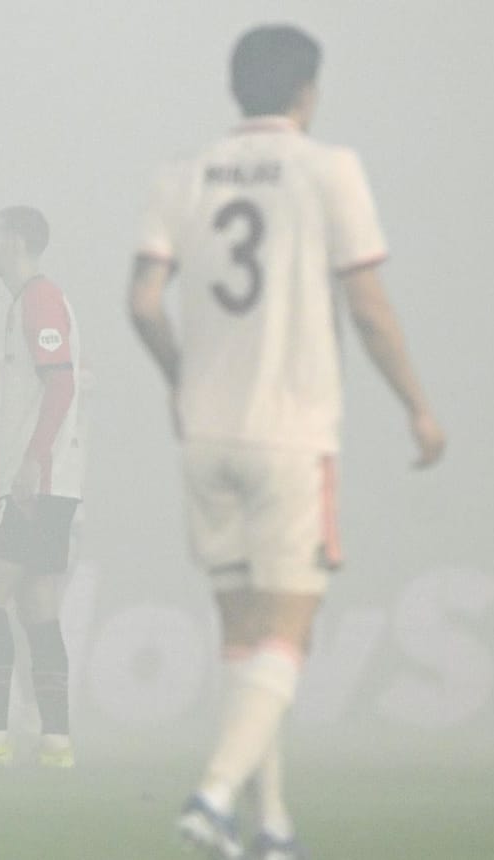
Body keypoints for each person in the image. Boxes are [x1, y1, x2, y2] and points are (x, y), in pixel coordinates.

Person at [127, 24, 447, 859]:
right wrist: (417, 404)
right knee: (290, 631)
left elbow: (143, 301)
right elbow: (369, 307)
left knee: (244, 639)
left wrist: (179, 379)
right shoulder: (327, 169)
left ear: (237, 91)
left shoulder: (181, 174)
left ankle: (271, 830)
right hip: (291, 435)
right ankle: (212, 797)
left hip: (206, 435)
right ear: (307, 92)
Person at [0, 206, 84, 768]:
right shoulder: (24, 303)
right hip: (44, 479)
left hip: (38, 483)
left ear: (11, 240)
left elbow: (61, 385)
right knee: (37, 608)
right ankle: (56, 744)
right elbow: (30, 398)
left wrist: (31, 463)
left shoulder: (38, 297)